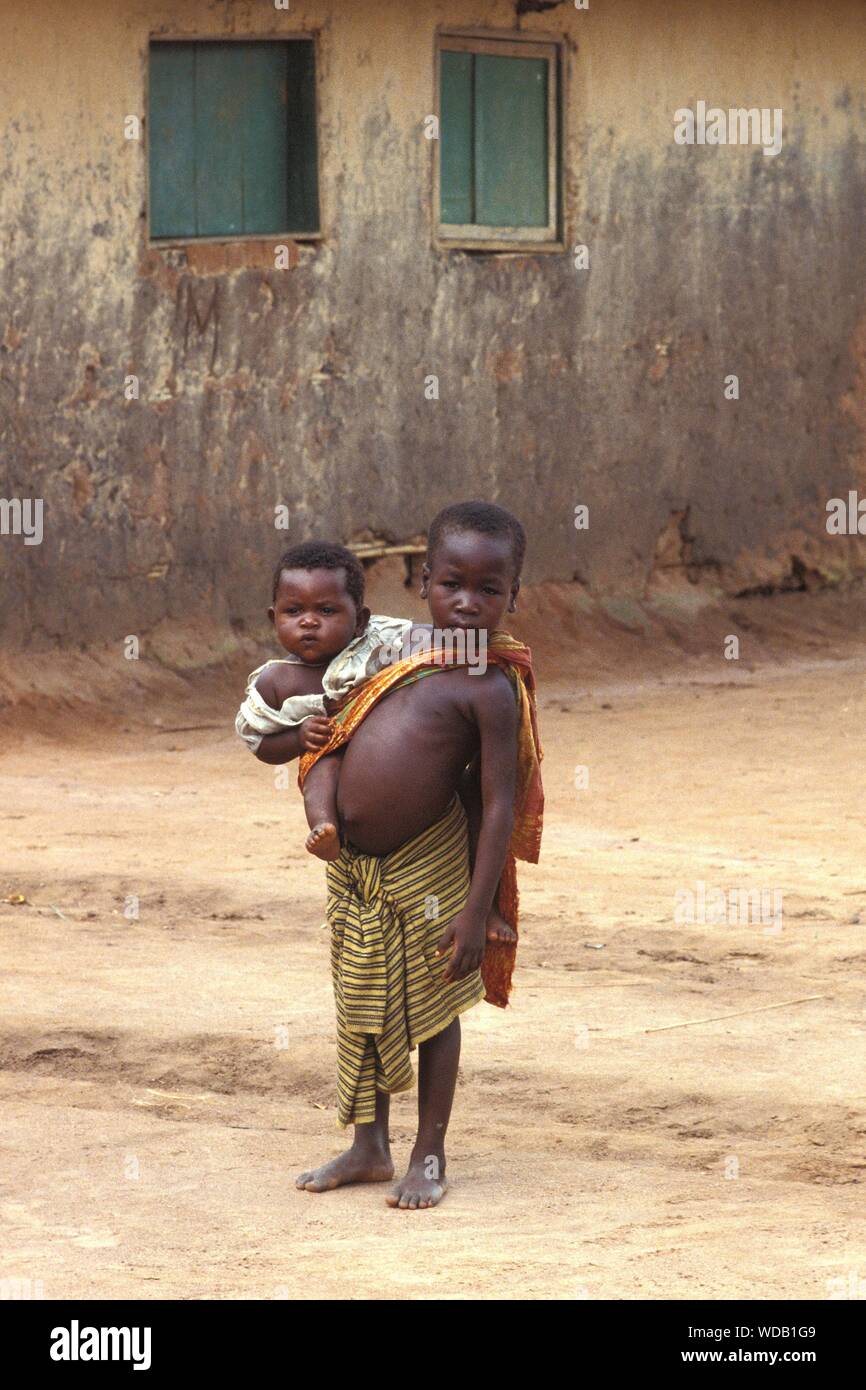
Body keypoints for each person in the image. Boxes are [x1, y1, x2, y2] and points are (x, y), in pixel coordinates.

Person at [294, 501, 543, 1210]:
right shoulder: (390, 652)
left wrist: (477, 910)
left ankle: (428, 1153)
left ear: (512, 598)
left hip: (427, 867)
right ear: (423, 578)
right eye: (451, 584)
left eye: (488, 591)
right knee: (361, 1001)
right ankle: (368, 1145)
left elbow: (496, 802)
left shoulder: (491, 689)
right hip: (357, 870)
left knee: (434, 1006)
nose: (468, 603)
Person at [235, 541, 411, 860]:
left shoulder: (375, 649)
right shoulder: (276, 681)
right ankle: (324, 828)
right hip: (335, 761)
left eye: (326, 611)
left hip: (390, 756)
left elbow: (420, 646)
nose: (309, 621)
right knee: (321, 768)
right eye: (294, 611)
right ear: (273, 617)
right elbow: (258, 742)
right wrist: (297, 737)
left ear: (359, 620)